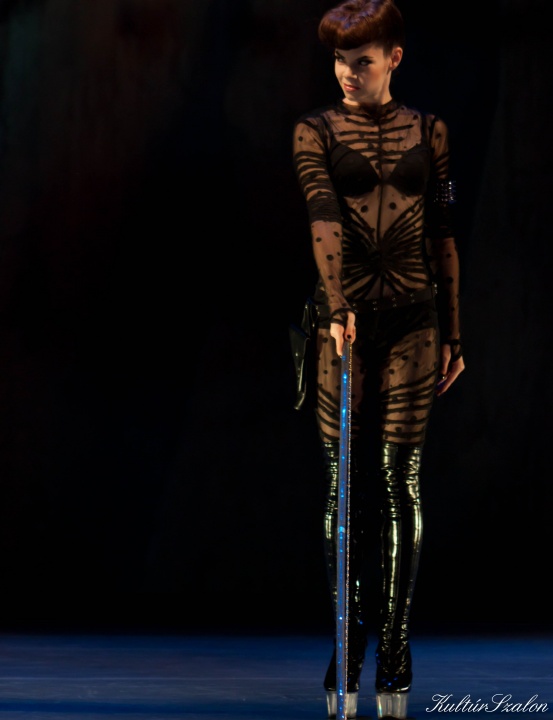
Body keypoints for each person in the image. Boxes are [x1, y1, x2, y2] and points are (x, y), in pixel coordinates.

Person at [292, 0, 465, 717]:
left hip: (416, 320)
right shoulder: (315, 130)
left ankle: (393, 651)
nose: (346, 73)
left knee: (400, 482)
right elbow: (323, 218)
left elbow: (443, 230)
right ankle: (346, 647)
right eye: (338, 60)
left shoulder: (431, 130)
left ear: (393, 57)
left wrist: (455, 333)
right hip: (346, 324)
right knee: (344, 487)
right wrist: (336, 309)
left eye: (360, 61)